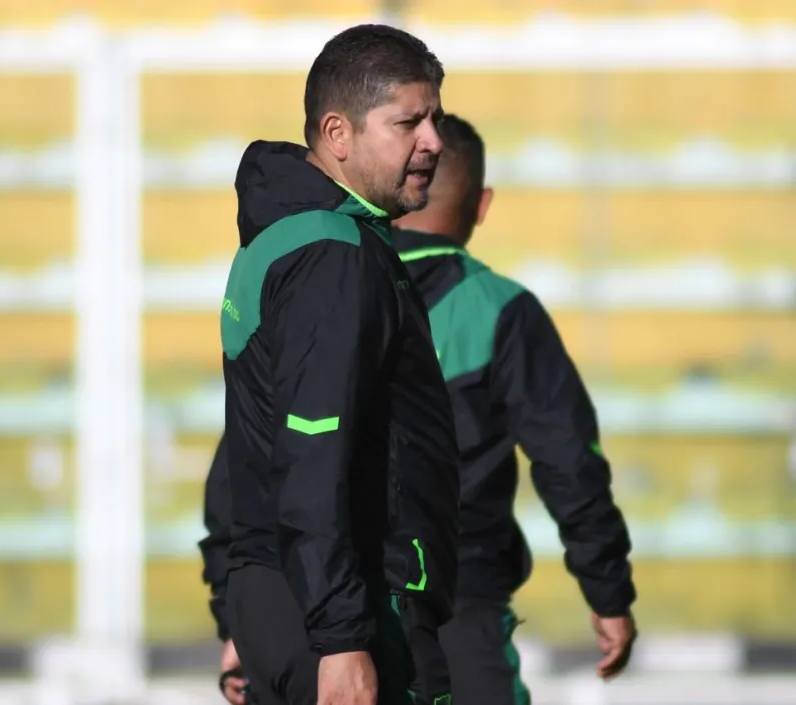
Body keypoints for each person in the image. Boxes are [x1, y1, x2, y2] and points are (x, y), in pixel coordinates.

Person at [200, 24, 460, 705]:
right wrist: (343, 637)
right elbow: (313, 455)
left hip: (292, 595)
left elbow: (253, 448)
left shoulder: (291, 234)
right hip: (342, 609)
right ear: (338, 134)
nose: (434, 141)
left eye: (436, 118)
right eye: (409, 122)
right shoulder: (333, 257)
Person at [390, 114, 638, 704]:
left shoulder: (319, 290)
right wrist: (608, 593)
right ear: (482, 204)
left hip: (323, 620)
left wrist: (242, 616)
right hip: (460, 610)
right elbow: (568, 460)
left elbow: (254, 452)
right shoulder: (503, 312)